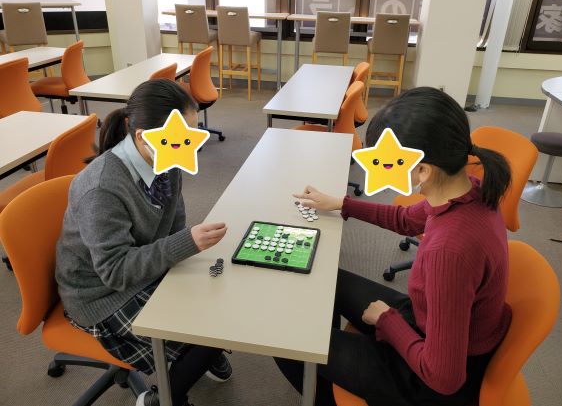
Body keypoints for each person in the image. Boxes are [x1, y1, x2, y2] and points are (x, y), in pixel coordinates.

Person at [276, 86, 513, 406]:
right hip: (430, 321)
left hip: (431, 380)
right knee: (326, 279)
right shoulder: (466, 188)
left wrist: (388, 322)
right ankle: (328, 362)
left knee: (285, 342)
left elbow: (444, 377)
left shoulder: (449, 251)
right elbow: (406, 219)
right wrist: (342, 203)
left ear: (423, 170)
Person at [55, 79, 229, 406]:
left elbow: (173, 226)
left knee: (221, 298)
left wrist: (183, 251)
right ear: (142, 137)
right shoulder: (102, 189)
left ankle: (197, 353)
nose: (189, 146)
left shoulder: (167, 160)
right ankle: (163, 398)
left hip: (142, 267)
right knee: (210, 327)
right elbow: (115, 272)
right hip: (100, 294)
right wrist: (185, 244)